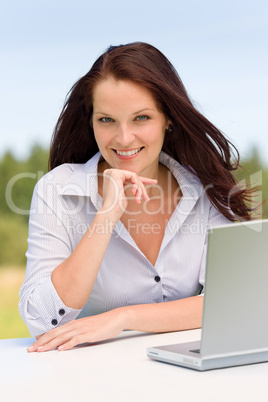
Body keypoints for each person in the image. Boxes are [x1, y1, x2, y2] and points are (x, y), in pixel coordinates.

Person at [19, 42, 253, 352]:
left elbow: (232, 301)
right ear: (91, 122)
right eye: (107, 120)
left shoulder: (204, 189)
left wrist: (124, 318)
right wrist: (107, 214)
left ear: (168, 119)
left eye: (141, 118)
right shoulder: (58, 191)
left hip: (184, 375)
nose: (124, 138)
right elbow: (41, 319)